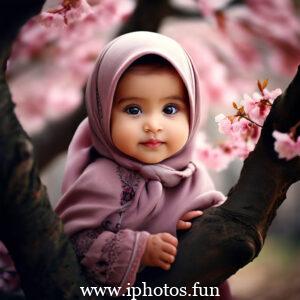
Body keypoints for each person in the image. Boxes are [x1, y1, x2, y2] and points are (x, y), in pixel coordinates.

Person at [55, 31, 230, 297]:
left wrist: (203, 225)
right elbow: (72, 244)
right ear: (102, 114)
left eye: (170, 109)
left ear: (193, 112)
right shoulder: (100, 178)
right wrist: (139, 249)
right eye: (133, 109)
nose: (153, 125)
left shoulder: (194, 178)